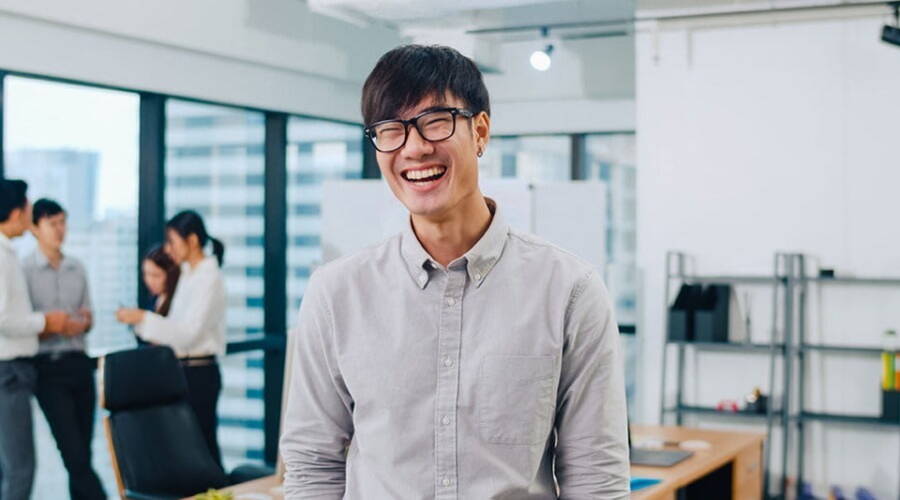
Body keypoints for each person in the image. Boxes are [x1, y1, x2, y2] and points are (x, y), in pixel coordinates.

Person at [280, 45, 629, 499]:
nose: (416, 147)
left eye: (436, 121)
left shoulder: (569, 291)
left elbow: (595, 478)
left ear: (480, 131)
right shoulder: (335, 293)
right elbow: (312, 466)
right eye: (392, 130)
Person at [116, 210, 226, 467]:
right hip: (182, 370)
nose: (169, 248)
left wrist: (142, 318)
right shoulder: (188, 273)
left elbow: (187, 334)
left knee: (203, 448)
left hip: (199, 372)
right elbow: (175, 328)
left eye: (173, 241)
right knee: (186, 450)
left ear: (193, 241)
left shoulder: (209, 277)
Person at [22, 198, 104, 500]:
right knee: (74, 454)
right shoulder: (23, 271)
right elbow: (21, 326)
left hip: (80, 365)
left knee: (83, 452)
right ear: (35, 228)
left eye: (63, 222)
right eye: (52, 224)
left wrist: (80, 323)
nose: (60, 230)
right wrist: (53, 325)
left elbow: (88, 316)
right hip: (48, 370)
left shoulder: (77, 267)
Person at [0, 180, 72, 500]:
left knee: (12, 466)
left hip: (15, 371)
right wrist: (46, 321)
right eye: (29, 210)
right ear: (16, 212)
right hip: (9, 372)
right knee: (21, 468)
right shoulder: (2, 257)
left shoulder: (8, 252)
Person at [141, 244, 181, 317]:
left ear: (171, 275)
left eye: (155, 275)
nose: (149, 281)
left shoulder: (177, 302)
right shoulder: (154, 298)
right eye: (146, 274)